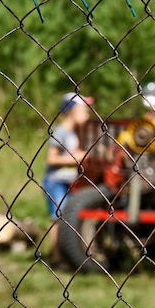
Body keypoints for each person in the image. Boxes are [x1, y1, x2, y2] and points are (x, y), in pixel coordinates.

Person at [43, 92, 93, 266]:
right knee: (58, 218)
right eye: (83, 110)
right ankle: (57, 258)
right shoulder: (61, 132)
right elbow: (52, 158)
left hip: (70, 182)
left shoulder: (76, 133)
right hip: (56, 181)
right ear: (71, 111)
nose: (87, 114)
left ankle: (70, 255)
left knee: (70, 217)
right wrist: (76, 158)